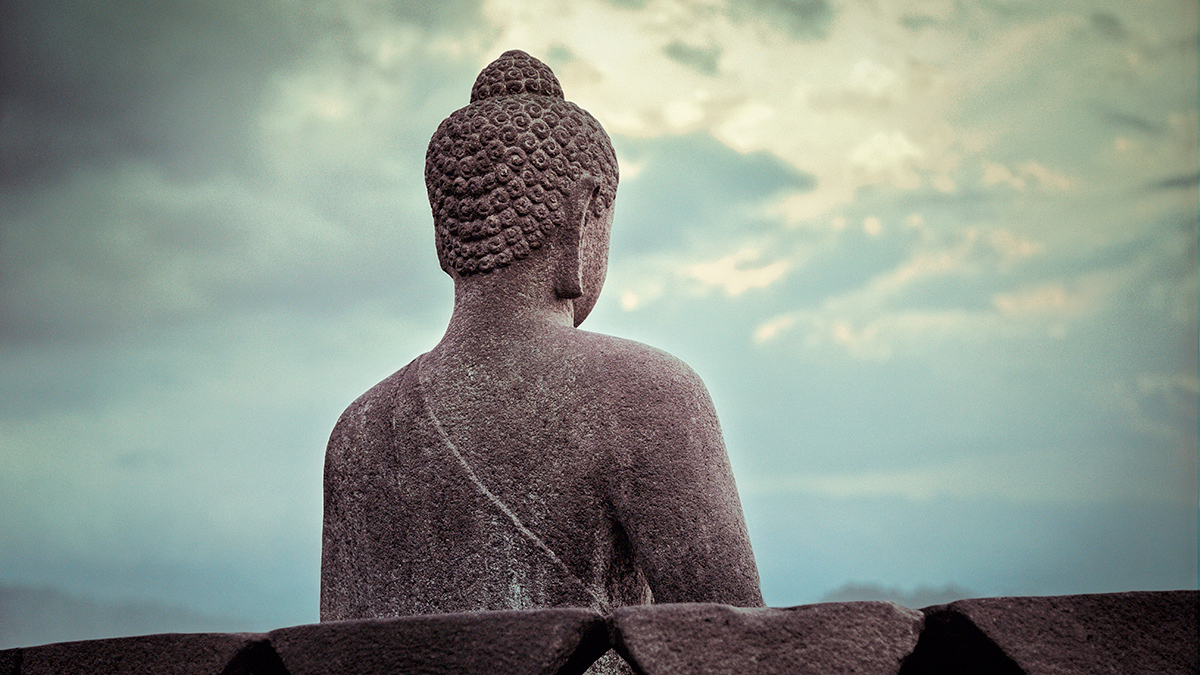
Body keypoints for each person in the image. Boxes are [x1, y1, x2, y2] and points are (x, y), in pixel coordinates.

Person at [321, 50, 763, 625]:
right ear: (583, 218)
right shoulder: (648, 396)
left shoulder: (358, 431)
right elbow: (731, 638)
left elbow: (339, 650)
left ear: (444, 234)